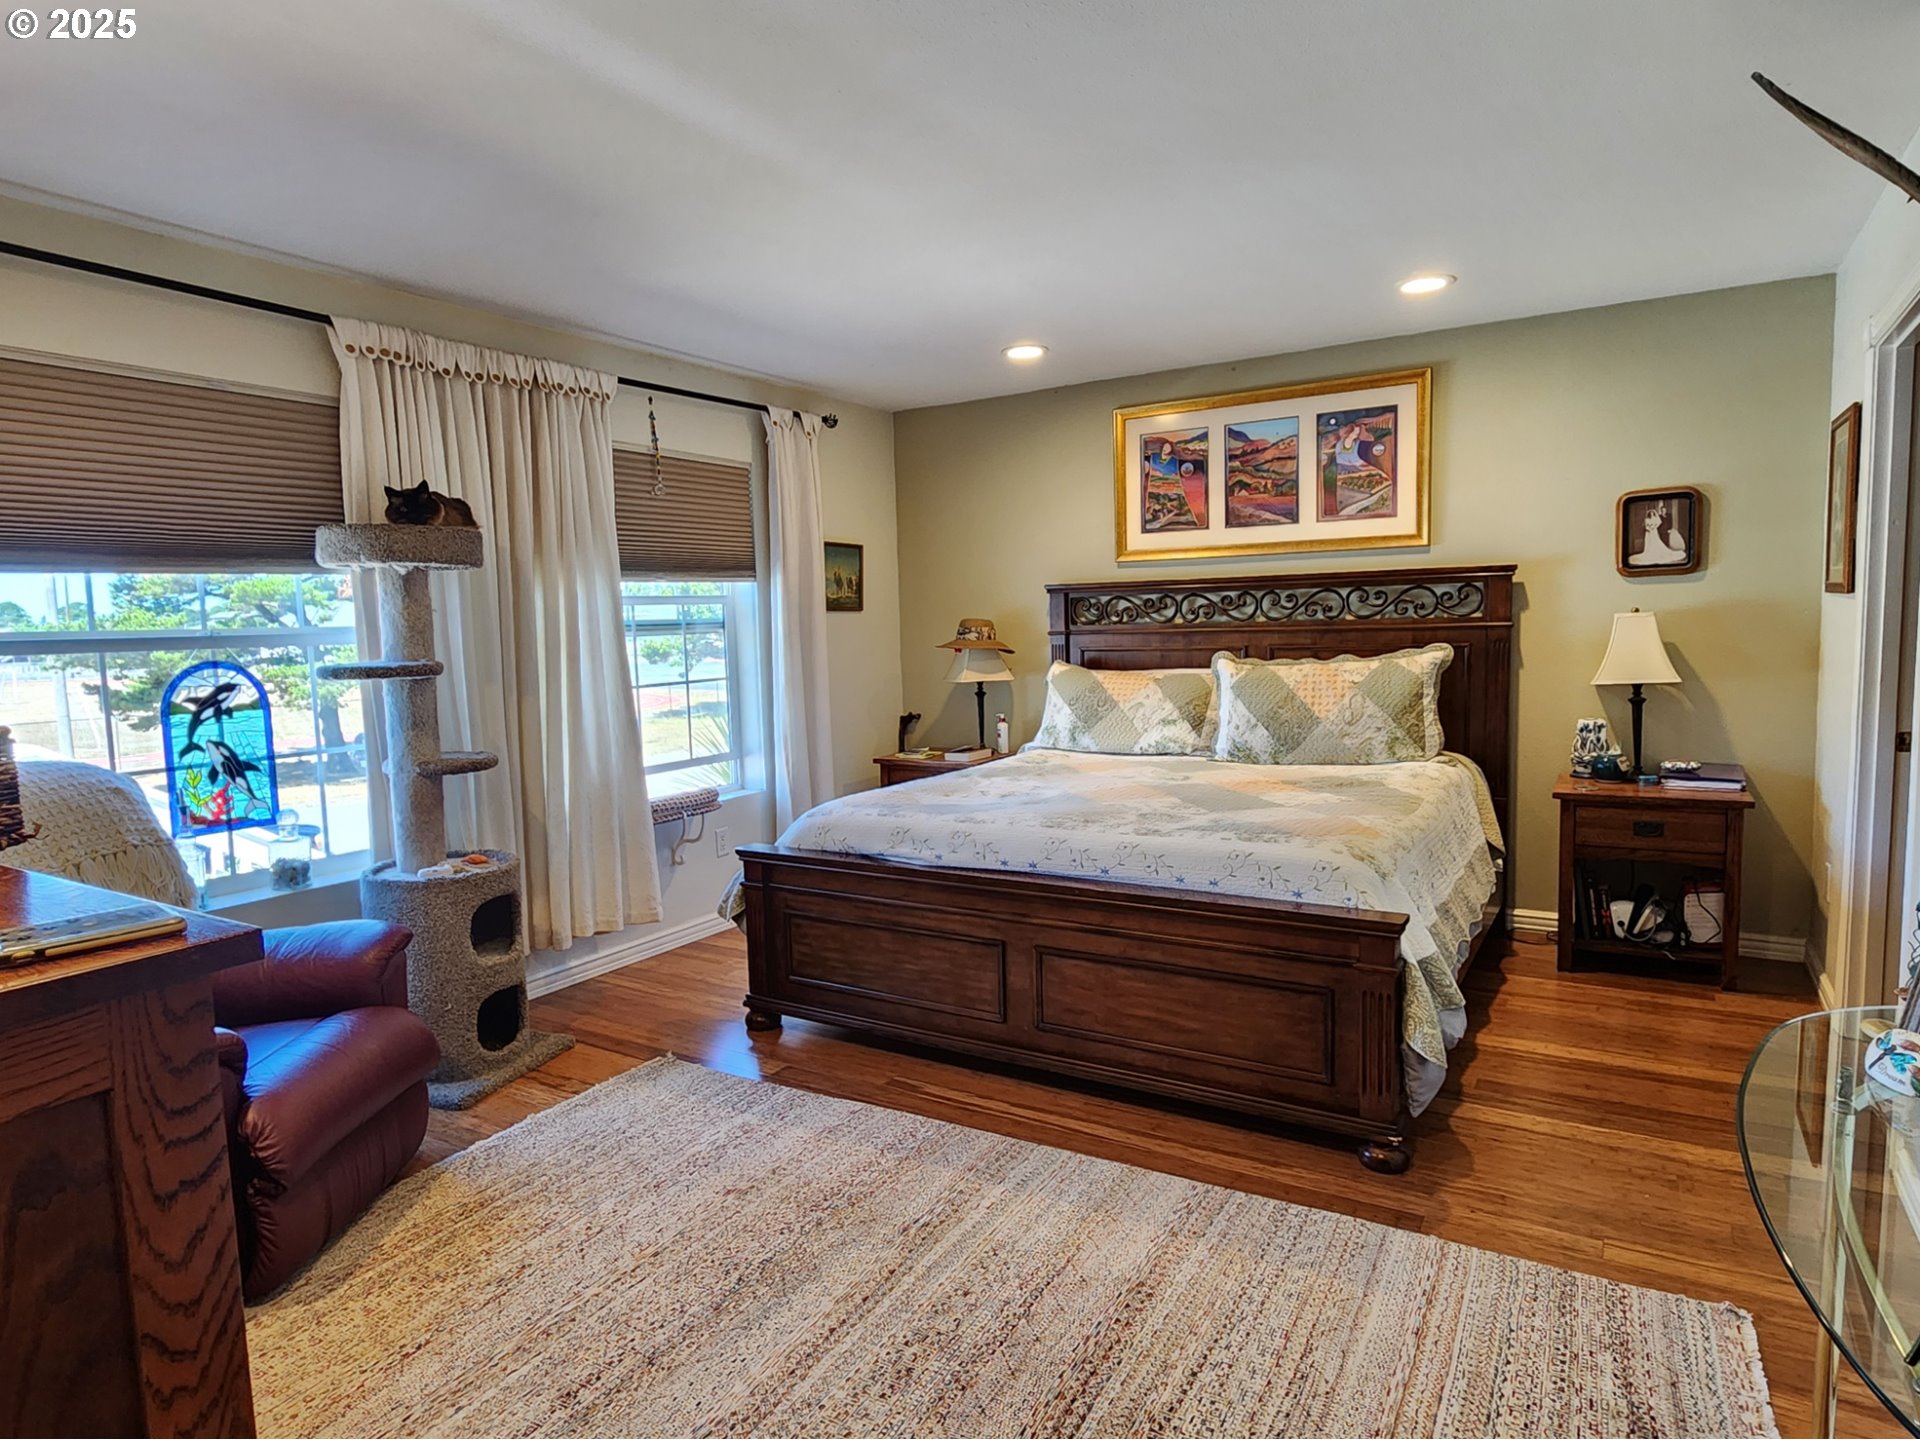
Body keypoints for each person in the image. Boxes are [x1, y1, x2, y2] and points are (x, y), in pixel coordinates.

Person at [1630, 502, 1687, 566]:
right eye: (1650, 514)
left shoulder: (1655, 518)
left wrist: (1653, 527)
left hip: (1654, 531)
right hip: (1648, 533)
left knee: (1655, 541)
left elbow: (1659, 523)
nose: (1651, 514)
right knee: (1649, 543)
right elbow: (1646, 526)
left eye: (1652, 513)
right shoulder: (1646, 519)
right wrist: (1649, 528)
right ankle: (1650, 552)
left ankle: (1656, 552)